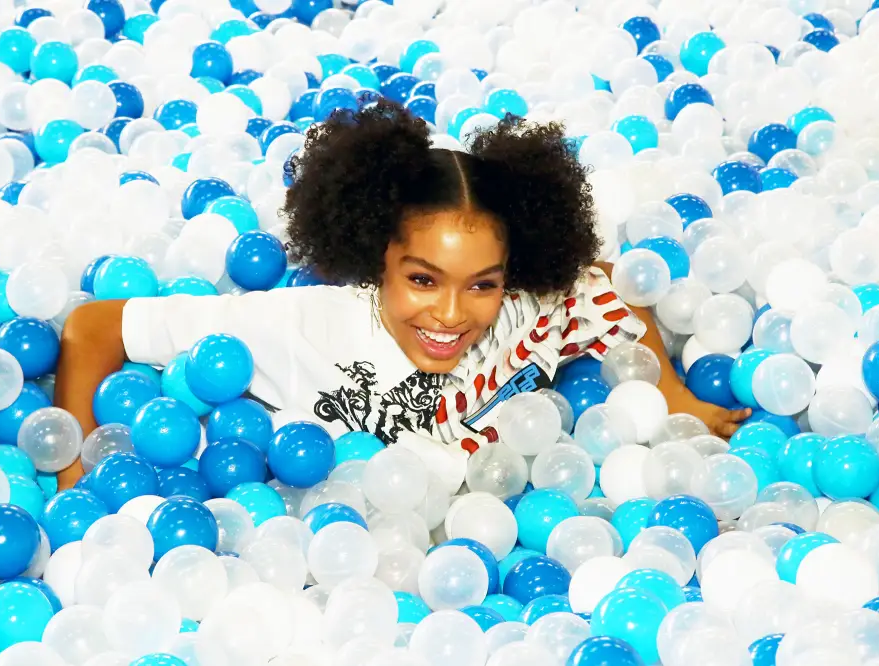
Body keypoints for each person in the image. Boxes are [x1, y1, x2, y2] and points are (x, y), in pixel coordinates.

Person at [55, 101, 750, 492]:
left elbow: (608, 285)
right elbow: (94, 326)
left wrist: (676, 394)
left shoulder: (526, 305)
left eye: (482, 282)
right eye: (422, 279)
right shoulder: (303, 325)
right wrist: (70, 469)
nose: (451, 314)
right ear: (375, 255)